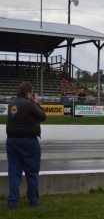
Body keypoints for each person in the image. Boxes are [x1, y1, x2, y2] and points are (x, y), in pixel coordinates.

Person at [5, 81, 46, 210]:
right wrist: (36, 102)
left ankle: (12, 203)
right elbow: (42, 116)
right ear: (29, 93)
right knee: (32, 172)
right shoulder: (29, 104)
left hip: (12, 141)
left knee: (14, 172)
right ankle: (33, 201)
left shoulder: (12, 102)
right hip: (28, 142)